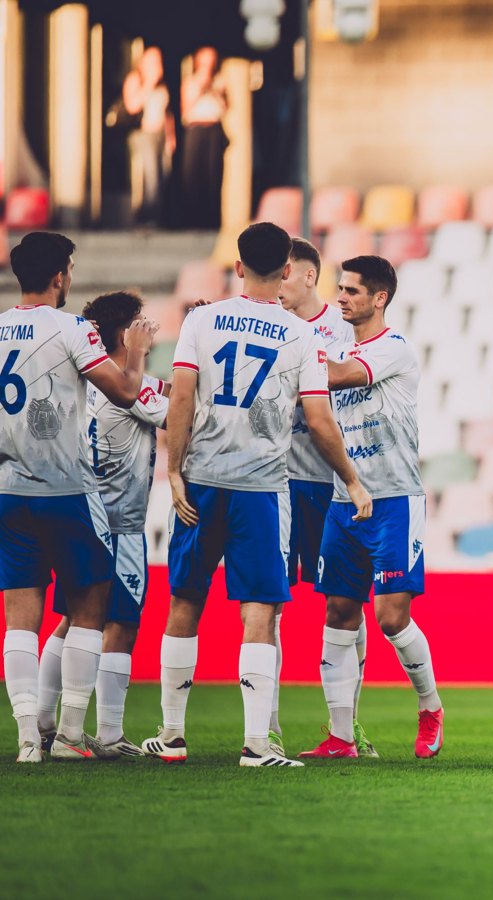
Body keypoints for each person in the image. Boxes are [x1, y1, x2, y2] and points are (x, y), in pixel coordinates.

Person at [141, 223, 372, 768]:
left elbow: (181, 397)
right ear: (287, 270)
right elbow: (319, 420)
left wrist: (174, 471)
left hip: (201, 481)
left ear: (238, 266)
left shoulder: (201, 319)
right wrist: (352, 478)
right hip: (263, 489)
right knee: (260, 610)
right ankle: (256, 745)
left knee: (185, 600)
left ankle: (172, 735)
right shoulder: (301, 336)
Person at [1, 232, 158, 763]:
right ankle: (70, 735)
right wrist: (137, 353)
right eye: (69, 268)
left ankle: (28, 739)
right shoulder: (72, 329)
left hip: (9, 490)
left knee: (20, 619)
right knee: (90, 608)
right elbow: (126, 391)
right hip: (67, 490)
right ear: (59, 275)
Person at [297, 256, 443, 761]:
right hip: (344, 499)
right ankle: (341, 737)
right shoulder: (335, 346)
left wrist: (288, 361)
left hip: (395, 500)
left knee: (390, 618)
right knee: (338, 611)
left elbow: (336, 376)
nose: (341, 297)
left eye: (352, 290)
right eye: (340, 288)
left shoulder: (394, 348)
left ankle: (430, 706)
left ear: (379, 298)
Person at [39, 292, 170, 758]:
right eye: (140, 322)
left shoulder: (87, 379)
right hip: (121, 523)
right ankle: (109, 734)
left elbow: (170, 390)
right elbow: (184, 411)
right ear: (123, 333)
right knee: (122, 623)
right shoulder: (134, 388)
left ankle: (43, 722)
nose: (149, 328)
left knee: (70, 619)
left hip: (81, 514)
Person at [271, 237, 378, 756]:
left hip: (331, 483)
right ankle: (266, 728)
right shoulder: (266, 324)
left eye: (283, 275)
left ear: (307, 275)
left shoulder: (344, 329)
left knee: (344, 604)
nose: (276, 285)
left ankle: (347, 726)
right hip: (275, 482)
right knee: (266, 605)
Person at [123, 47, 174, 226]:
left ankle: (158, 216)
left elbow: (167, 112)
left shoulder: (162, 84)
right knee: (151, 175)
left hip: (160, 133)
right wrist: (150, 82)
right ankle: (147, 217)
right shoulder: (135, 79)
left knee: (163, 174)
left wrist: (170, 136)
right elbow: (132, 106)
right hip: (144, 134)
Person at [180, 46, 229, 230]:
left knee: (214, 174)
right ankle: (192, 220)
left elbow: (226, 107)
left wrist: (215, 90)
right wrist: (202, 86)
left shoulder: (220, 80)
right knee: (193, 174)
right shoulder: (190, 81)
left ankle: (212, 221)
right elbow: (185, 108)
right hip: (195, 128)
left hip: (214, 129)